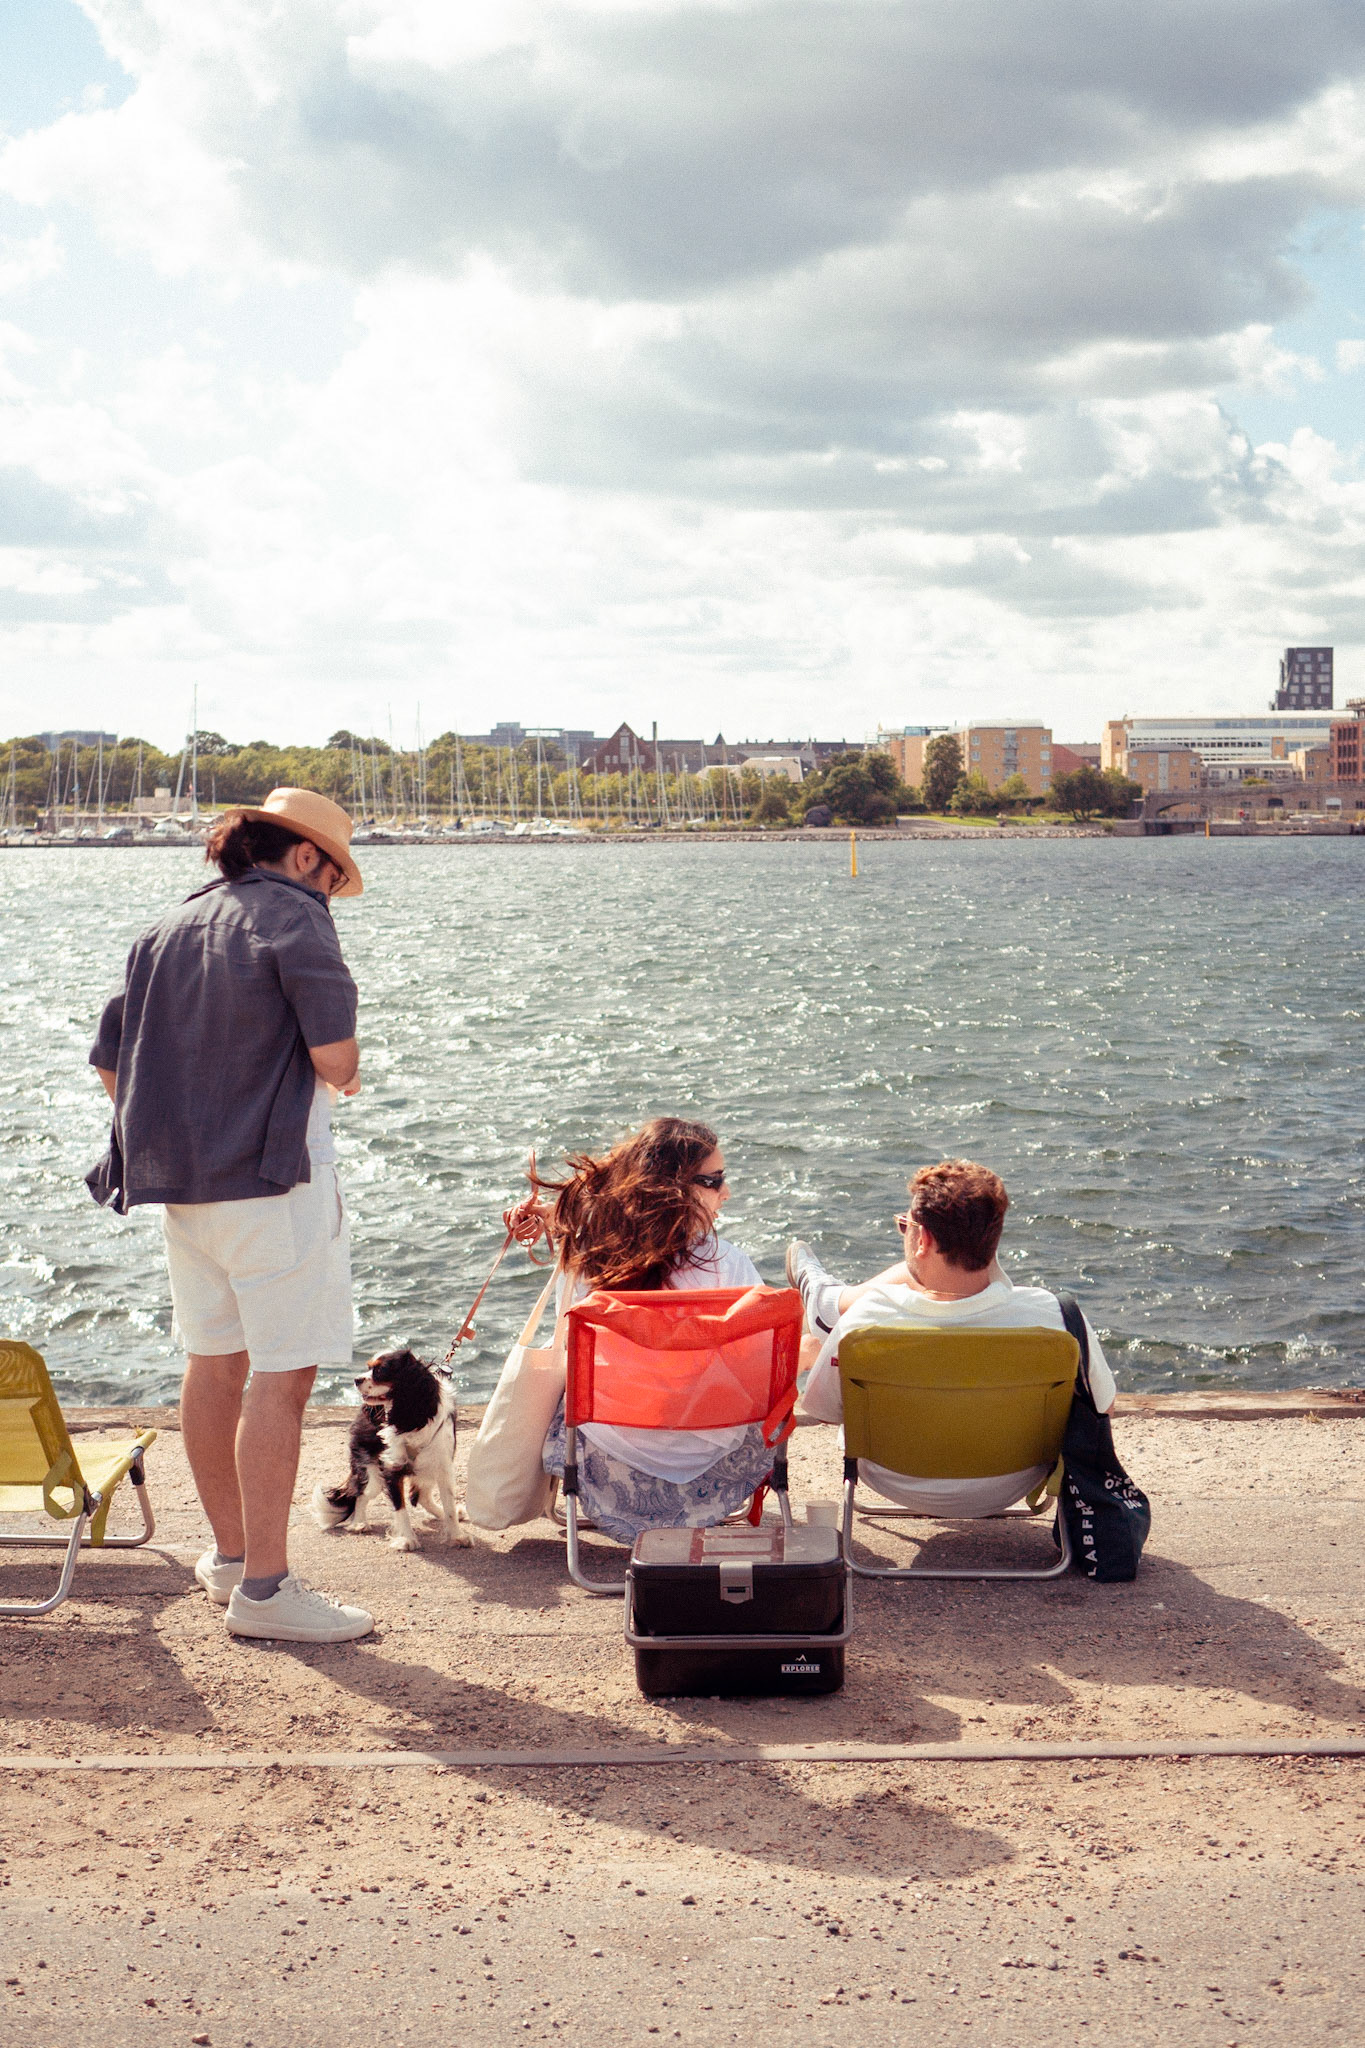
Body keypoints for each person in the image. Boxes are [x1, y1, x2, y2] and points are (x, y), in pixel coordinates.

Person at [87, 787, 374, 1643]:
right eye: (330, 873)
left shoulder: (166, 928)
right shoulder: (296, 915)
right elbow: (335, 1055)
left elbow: (111, 1066)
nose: (328, 891)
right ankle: (267, 1591)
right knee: (283, 1381)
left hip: (183, 1185)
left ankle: (229, 1558)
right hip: (272, 1183)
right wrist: (346, 1073)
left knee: (214, 1366)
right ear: (302, 856)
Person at [788, 1158, 1116, 1517]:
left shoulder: (867, 1320)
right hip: (1014, 1481)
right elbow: (1102, 1407)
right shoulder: (1058, 1318)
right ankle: (828, 1300)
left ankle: (827, 1302)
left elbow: (822, 1408)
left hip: (893, 1477)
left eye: (906, 1227)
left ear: (923, 1239)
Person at [507, 1117, 776, 1543]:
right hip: (709, 1454)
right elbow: (760, 1366)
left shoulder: (593, 1259)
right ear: (672, 1188)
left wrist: (555, 1217)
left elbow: (597, 1226)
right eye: (713, 1180)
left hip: (611, 1456)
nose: (726, 1191)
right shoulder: (730, 1264)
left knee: (574, 1379)